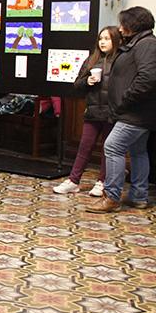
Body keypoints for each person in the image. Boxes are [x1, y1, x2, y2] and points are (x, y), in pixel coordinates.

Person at [89, 6, 156, 213]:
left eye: (123, 24)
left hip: (135, 112)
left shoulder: (146, 44)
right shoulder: (139, 43)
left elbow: (147, 78)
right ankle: (138, 196)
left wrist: (124, 100)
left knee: (112, 146)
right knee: (137, 151)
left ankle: (112, 197)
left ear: (133, 25)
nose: (119, 28)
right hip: (136, 112)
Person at [53, 26, 121, 196]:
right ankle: (74, 180)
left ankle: (102, 182)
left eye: (107, 39)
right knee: (85, 147)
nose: (103, 42)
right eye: (100, 39)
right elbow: (77, 84)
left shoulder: (122, 61)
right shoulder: (91, 60)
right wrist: (88, 82)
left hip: (112, 112)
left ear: (116, 40)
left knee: (108, 148)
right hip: (93, 111)